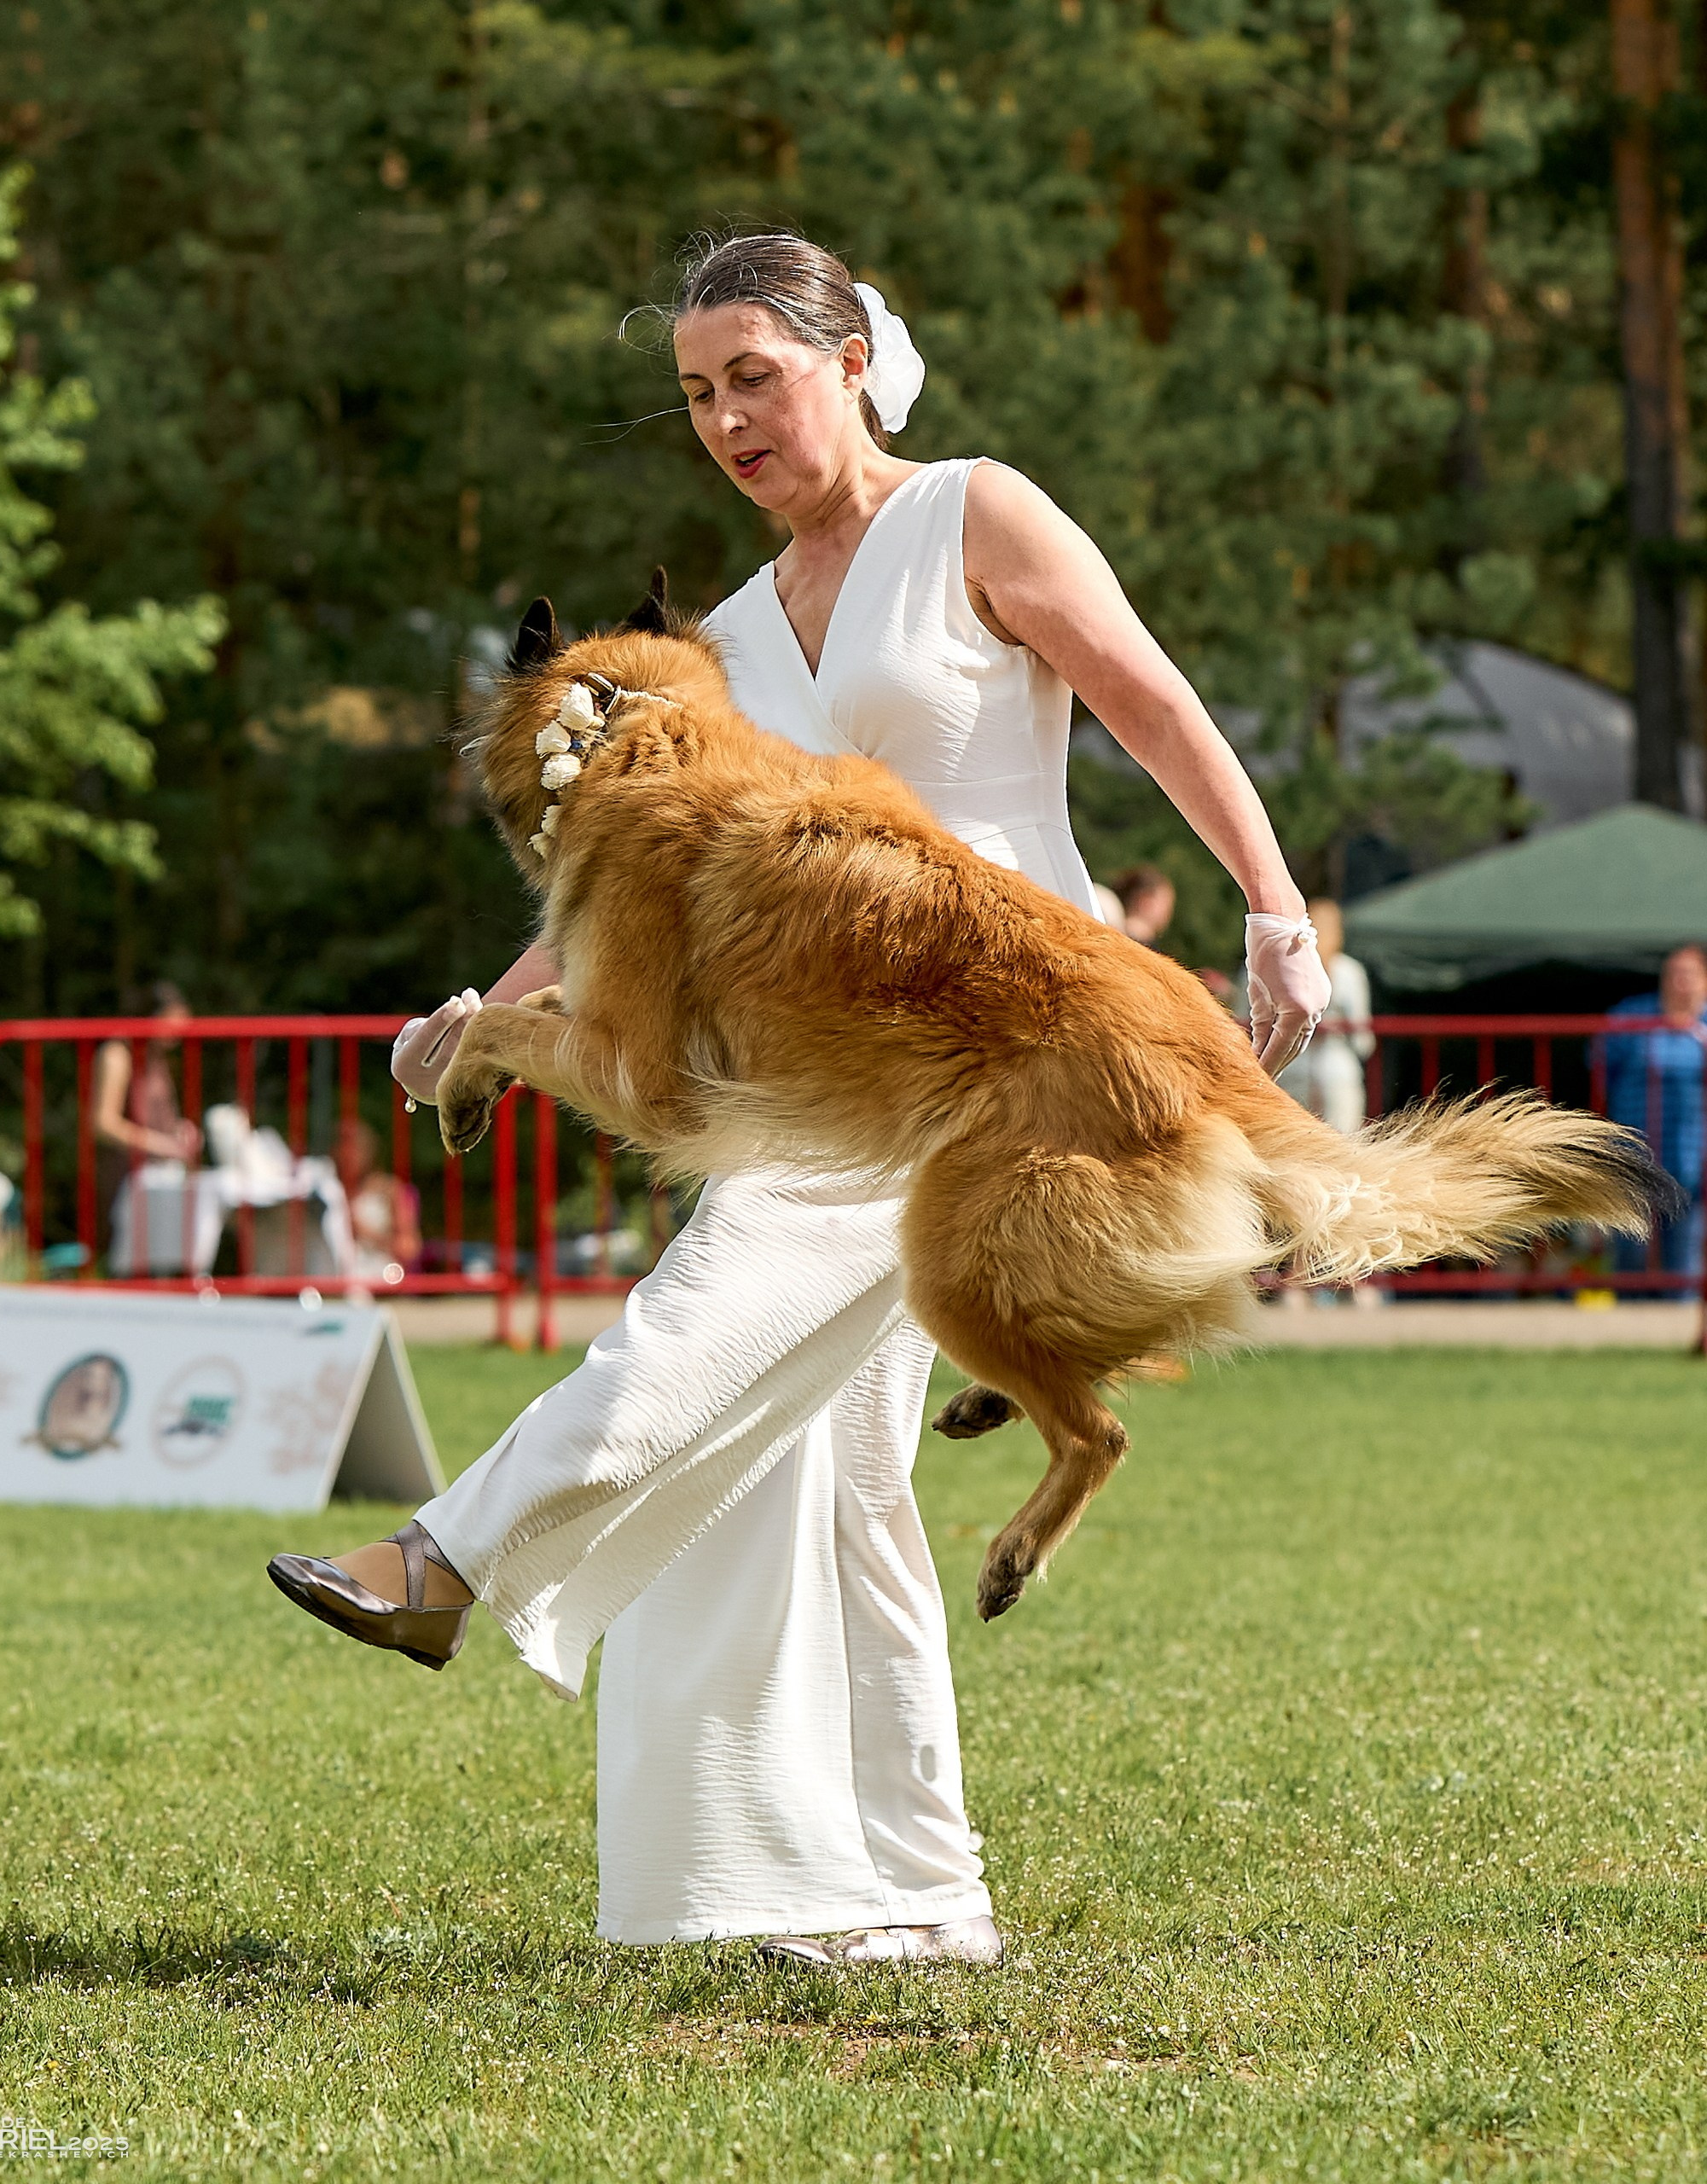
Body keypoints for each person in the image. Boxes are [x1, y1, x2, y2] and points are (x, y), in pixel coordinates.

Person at [270, 232, 1330, 1966]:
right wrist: (487, 1015)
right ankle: (914, 1895)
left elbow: (1148, 698)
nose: (725, 420)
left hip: (1012, 1036)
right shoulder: (727, 635)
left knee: (707, 1307)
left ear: (849, 362)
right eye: (697, 394)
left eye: (751, 376)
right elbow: (647, 868)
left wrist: (1271, 904)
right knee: (829, 1491)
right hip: (824, 1060)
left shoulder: (975, 512)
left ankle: (446, 1558)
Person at [1600, 943, 1707, 1283]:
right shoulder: (1632, 1016)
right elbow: (1601, 1064)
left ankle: (1680, 1308)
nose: (1679, 982)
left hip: (1693, 1156)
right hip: (1637, 1148)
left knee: (1685, 1252)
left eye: (1688, 975)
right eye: (1672, 974)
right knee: (1631, 1245)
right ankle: (1630, 1309)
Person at [92, 981, 200, 1274]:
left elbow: (162, 1114)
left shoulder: (156, 1057)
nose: (176, 1036)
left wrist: (181, 1131)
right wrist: (160, 1144)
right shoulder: (117, 1055)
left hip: (161, 1174)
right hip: (125, 1177)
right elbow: (103, 1123)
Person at [1275, 900, 1373, 1136]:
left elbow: (1247, 1022)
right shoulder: (1349, 972)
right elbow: (1363, 1043)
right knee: (1344, 1147)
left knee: (1291, 1148)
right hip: (1338, 1071)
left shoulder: (1277, 966)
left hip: (1289, 1067)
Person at [334, 1117, 421, 1286]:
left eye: (354, 1149)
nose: (347, 1155)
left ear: (369, 1152)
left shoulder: (390, 1190)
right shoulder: (327, 1190)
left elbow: (410, 1248)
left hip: (383, 1279)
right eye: (342, 1148)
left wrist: (363, 1232)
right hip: (336, 1281)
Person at [1113, 863, 1176, 947]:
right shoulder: (1150, 950)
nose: (1169, 911)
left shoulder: (1105, 933)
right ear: (1145, 900)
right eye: (1165, 903)